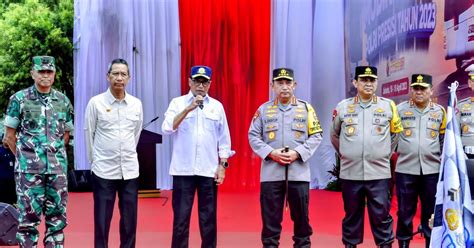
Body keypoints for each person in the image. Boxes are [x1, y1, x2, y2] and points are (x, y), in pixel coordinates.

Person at [2, 56, 74, 247]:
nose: (45, 75)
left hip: (57, 172)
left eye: (49, 71)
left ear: (54, 74)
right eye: (41, 71)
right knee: (27, 221)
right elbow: (9, 137)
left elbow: (66, 136)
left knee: (57, 221)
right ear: (32, 73)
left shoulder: (63, 101)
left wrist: (54, 156)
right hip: (28, 172)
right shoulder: (19, 99)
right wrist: (25, 159)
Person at [248, 68, 323, 247]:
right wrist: (271, 153)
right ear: (272, 86)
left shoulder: (306, 108)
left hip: (299, 175)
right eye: (280, 83)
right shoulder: (263, 110)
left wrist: (298, 153)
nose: (284, 87)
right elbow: (253, 136)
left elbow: (317, 135)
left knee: (302, 223)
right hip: (271, 175)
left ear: (294, 85)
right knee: (270, 224)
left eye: (288, 83)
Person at [330, 66, 403, 248]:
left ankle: (385, 245)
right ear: (355, 82)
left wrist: (384, 153)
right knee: (352, 215)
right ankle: (350, 245)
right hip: (351, 173)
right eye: (364, 80)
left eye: (372, 80)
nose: (368, 84)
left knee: (381, 215)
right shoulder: (343, 107)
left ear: (376, 82)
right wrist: (348, 153)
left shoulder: (388, 106)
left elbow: (396, 134)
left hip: (379, 173)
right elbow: (334, 135)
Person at [162, 65, 233, 248]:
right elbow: (167, 128)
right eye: (197, 81)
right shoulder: (177, 103)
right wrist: (188, 109)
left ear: (210, 84)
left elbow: (224, 140)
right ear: (189, 82)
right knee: (181, 220)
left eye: (204, 82)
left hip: (208, 171)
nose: (200, 86)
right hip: (183, 170)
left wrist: (222, 166)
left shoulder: (217, 107)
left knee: (208, 220)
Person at [84, 58, 143, 248]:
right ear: (108, 76)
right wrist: (95, 162)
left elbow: (136, 134)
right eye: (115, 74)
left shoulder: (136, 104)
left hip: (130, 171)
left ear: (129, 78)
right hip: (103, 171)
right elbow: (89, 134)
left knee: (129, 222)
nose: (119, 78)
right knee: (102, 222)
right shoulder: (96, 103)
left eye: (123, 74)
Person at [395, 74, 446, 248]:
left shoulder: (440, 112)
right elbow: (392, 137)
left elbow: (443, 139)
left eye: (423, 88)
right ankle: (403, 243)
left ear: (431, 90)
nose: (418, 92)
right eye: (415, 88)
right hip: (405, 169)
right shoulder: (400, 110)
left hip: (431, 170)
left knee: (430, 211)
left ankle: (430, 243)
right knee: (404, 211)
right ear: (411, 90)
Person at [458, 64, 474, 200]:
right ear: (469, 83)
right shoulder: (461, 106)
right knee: (468, 197)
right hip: (467, 158)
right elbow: (454, 135)